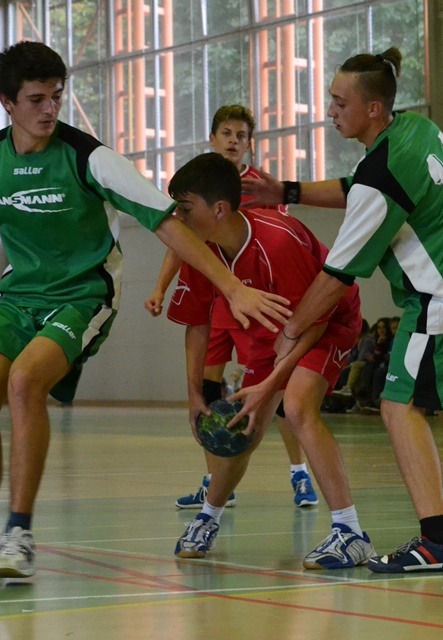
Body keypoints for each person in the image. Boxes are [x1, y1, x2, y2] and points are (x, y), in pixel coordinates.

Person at [0, 41, 287, 581]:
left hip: (84, 294)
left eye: (57, 97)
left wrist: (231, 286)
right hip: (18, 297)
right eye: (36, 99)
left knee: (25, 382)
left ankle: (19, 534)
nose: (50, 109)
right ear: (7, 103)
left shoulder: (88, 156)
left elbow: (167, 222)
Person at [241, 47, 443, 572]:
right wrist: (287, 190)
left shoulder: (381, 173)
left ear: (372, 109)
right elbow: (358, 187)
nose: (330, 110)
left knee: (397, 406)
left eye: (339, 102)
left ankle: (437, 542)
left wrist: (291, 329)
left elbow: (336, 277)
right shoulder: (416, 129)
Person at [167, 153, 374, 569]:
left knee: (296, 406)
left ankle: (350, 532)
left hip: (328, 319)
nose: (177, 219)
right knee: (243, 423)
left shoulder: (277, 242)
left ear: (219, 209)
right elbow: (197, 325)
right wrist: (194, 395)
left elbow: (313, 318)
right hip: (276, 330)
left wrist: (270, 384)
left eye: (185, 209)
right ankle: (208, 517)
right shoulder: (200, 252)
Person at [144, 105, 316, 511]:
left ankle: (300, 472)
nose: (234, 140)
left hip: (256, 301)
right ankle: (216, 482)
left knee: (277, 390)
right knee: (207, 391)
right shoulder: (193, 189)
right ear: (213, 138)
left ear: (249, 144)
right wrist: (160, 287)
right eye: (227, 133)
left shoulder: (260, 188)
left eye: (241, 135)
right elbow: (181, 241)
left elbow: (278, 240)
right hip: (216, 300)